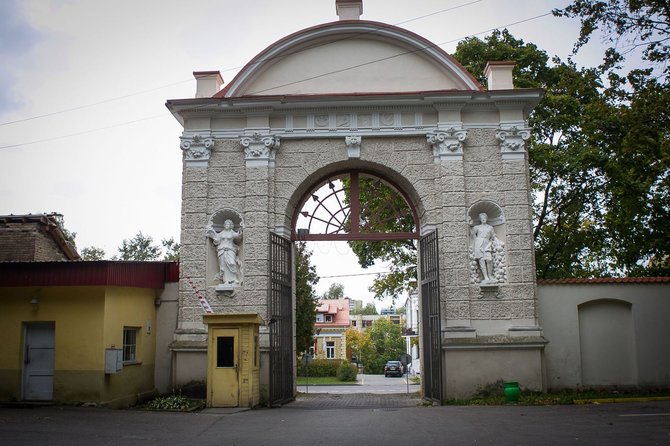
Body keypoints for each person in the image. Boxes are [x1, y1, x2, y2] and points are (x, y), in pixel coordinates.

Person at [207, 219, 243, 284]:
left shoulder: (232, 233)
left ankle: (234, 279)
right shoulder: (221, 233)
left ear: (231, 225)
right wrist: (212, 235)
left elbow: (238, 236)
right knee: (223, 265)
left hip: (230, 250)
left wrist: (240, 232)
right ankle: (226, 280)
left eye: (228, 224)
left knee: (232, 263)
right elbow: (217, 240)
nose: (227, 225)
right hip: (222, 250)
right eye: (226, 224)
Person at [472, 212, 496, 283]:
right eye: (482, 218)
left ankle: (490, 275)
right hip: (479, 243)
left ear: (486, 218)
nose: (483, 219)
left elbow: (493, 237)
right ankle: (485, 276)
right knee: (481, 260)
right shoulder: (477, 227)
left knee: (488, 260)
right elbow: (472, 234)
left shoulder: (490, 227)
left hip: (487, 243)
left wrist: (491, 243)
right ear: (480, 219)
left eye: (484, 218)